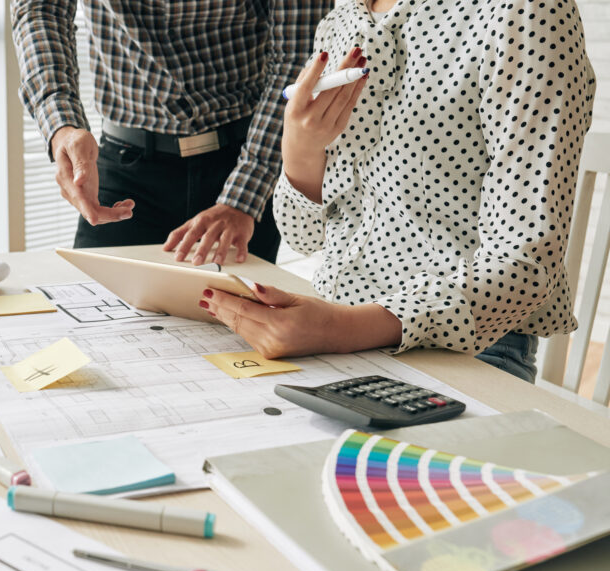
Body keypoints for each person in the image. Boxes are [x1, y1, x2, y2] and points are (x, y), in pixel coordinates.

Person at [202, 0, 595, 383]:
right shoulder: (341, 21)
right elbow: (304, 236)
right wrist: (299, 152)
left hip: (464, 352)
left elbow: (525, 264)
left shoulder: (525, 10)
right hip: (328, 333)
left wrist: (339, 328)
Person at [11, 1, 334, 266]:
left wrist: (242, 199)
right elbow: (41, 9)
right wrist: (61, 126)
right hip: (125, 170)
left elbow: (298, 59)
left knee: (236, 336)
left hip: (245, 163)